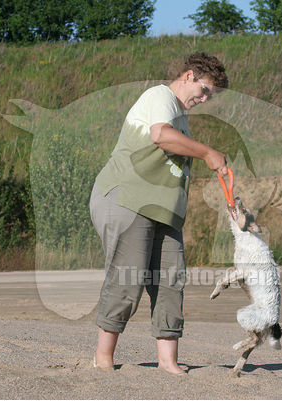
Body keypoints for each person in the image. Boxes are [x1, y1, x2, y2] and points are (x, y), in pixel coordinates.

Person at [89, 52, 229, 375]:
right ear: (190, 76)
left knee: (170, 280)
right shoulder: (160, 96)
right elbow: (159, 136)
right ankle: (103, 358)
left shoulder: (182, 119)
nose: (205, 99)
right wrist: (207, 152)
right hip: (126, 198)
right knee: (129, 275)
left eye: (211, 96)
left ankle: (168, 362)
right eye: (205, 90)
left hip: (162, 213)